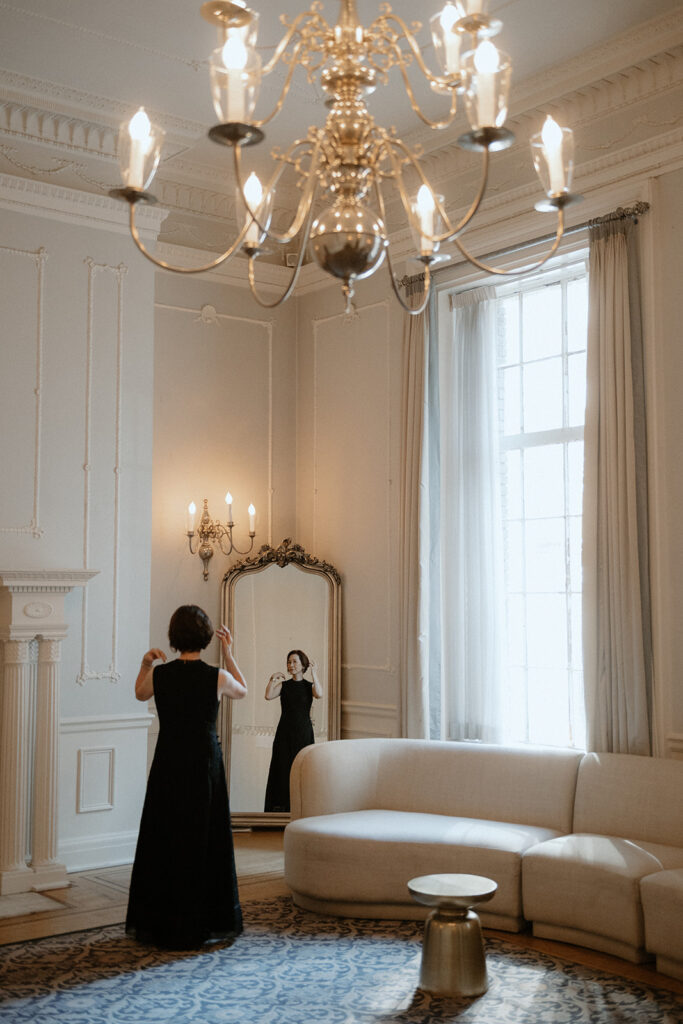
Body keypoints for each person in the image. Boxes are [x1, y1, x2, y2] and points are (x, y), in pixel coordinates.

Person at [125, 605, 247, 949]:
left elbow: (139, 693)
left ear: (174, 637)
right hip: (204, 764)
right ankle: (205, 920)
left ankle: (164, 920)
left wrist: (147, 663)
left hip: (168, 763)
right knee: (203, 837)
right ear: (206, 637)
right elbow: (244, 690)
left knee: (167, 836)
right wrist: (230, 653)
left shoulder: (161, 675)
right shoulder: (217, 677)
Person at [263, 649, 322, 813]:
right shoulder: (284, 685)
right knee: (282, 769)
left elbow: (320, 694)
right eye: (289, 662)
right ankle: (281, 809)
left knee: (302, 770)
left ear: (303, 665)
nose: (291, 665)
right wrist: (272, 679)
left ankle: (301, 809)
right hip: (284, 733)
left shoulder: (309, 686)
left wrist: (315, 674)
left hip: (303, 733)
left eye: (295, 661)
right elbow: (268, 696)